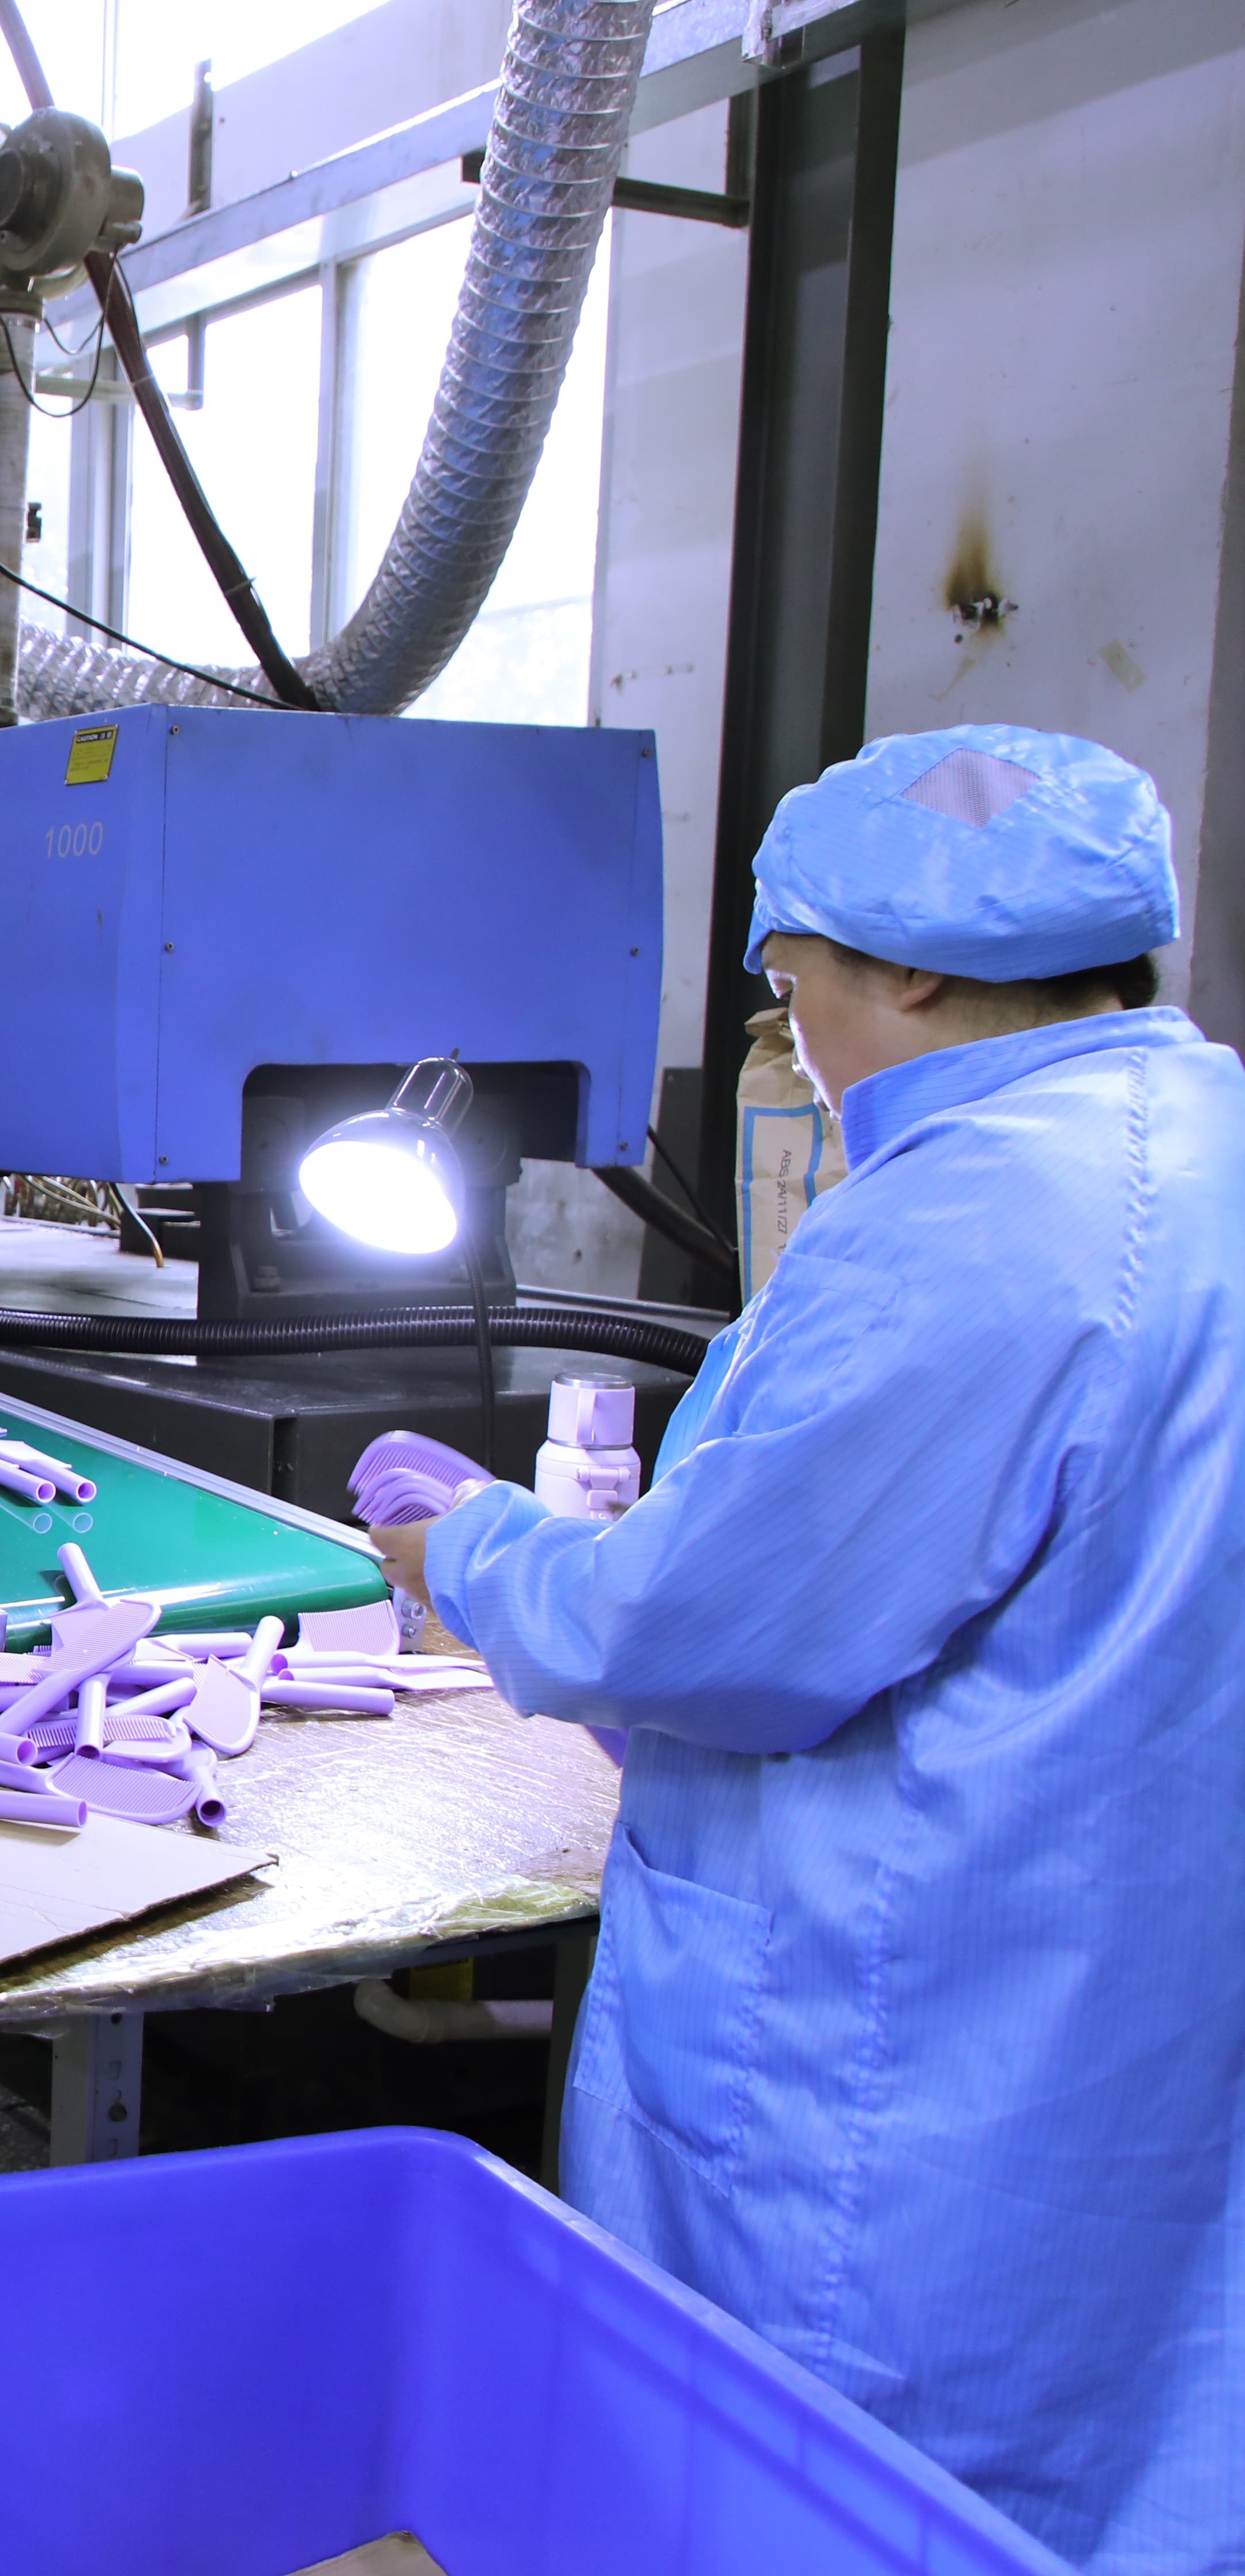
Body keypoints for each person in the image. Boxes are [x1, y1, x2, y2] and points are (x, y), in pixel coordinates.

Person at [370, 724, 1240, 2576]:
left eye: (792, 989)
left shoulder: (973, 1220)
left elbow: (706, 1628)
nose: (795, 1046)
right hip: (1129, 2007)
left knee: (830, 2488)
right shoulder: (1215, 1150)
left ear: (908, 965)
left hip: (908, 2057)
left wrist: (474, 1545)